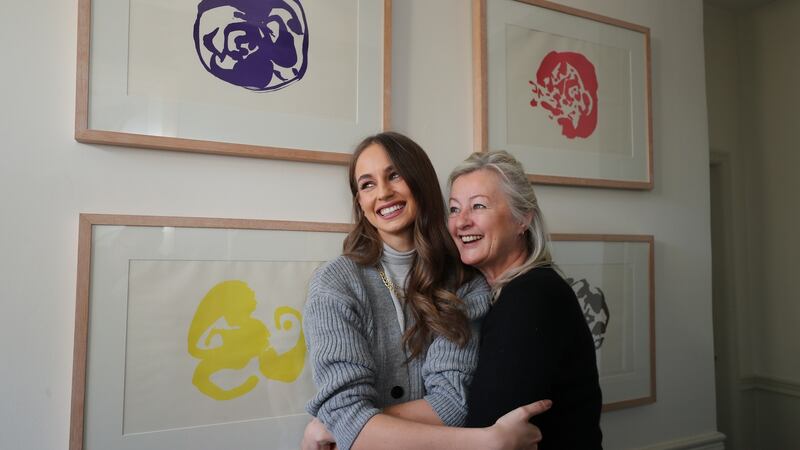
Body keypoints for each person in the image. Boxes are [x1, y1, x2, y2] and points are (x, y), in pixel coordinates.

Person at [302, 133, 549, 450]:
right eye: (367, 184)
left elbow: (453, 402)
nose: (383, 192)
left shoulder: (463, 282)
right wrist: (485, 441)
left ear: (420, 182)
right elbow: (344, 411)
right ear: (360, 204)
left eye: (394, 175)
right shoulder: (335, 283)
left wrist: (352, 425)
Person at [447, 150, 603, 449]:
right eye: (454, 209)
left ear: (522, 219)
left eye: (478, 206)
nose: (461, 222)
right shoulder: (495, 293)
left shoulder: (531, 296)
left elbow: (486, 430)